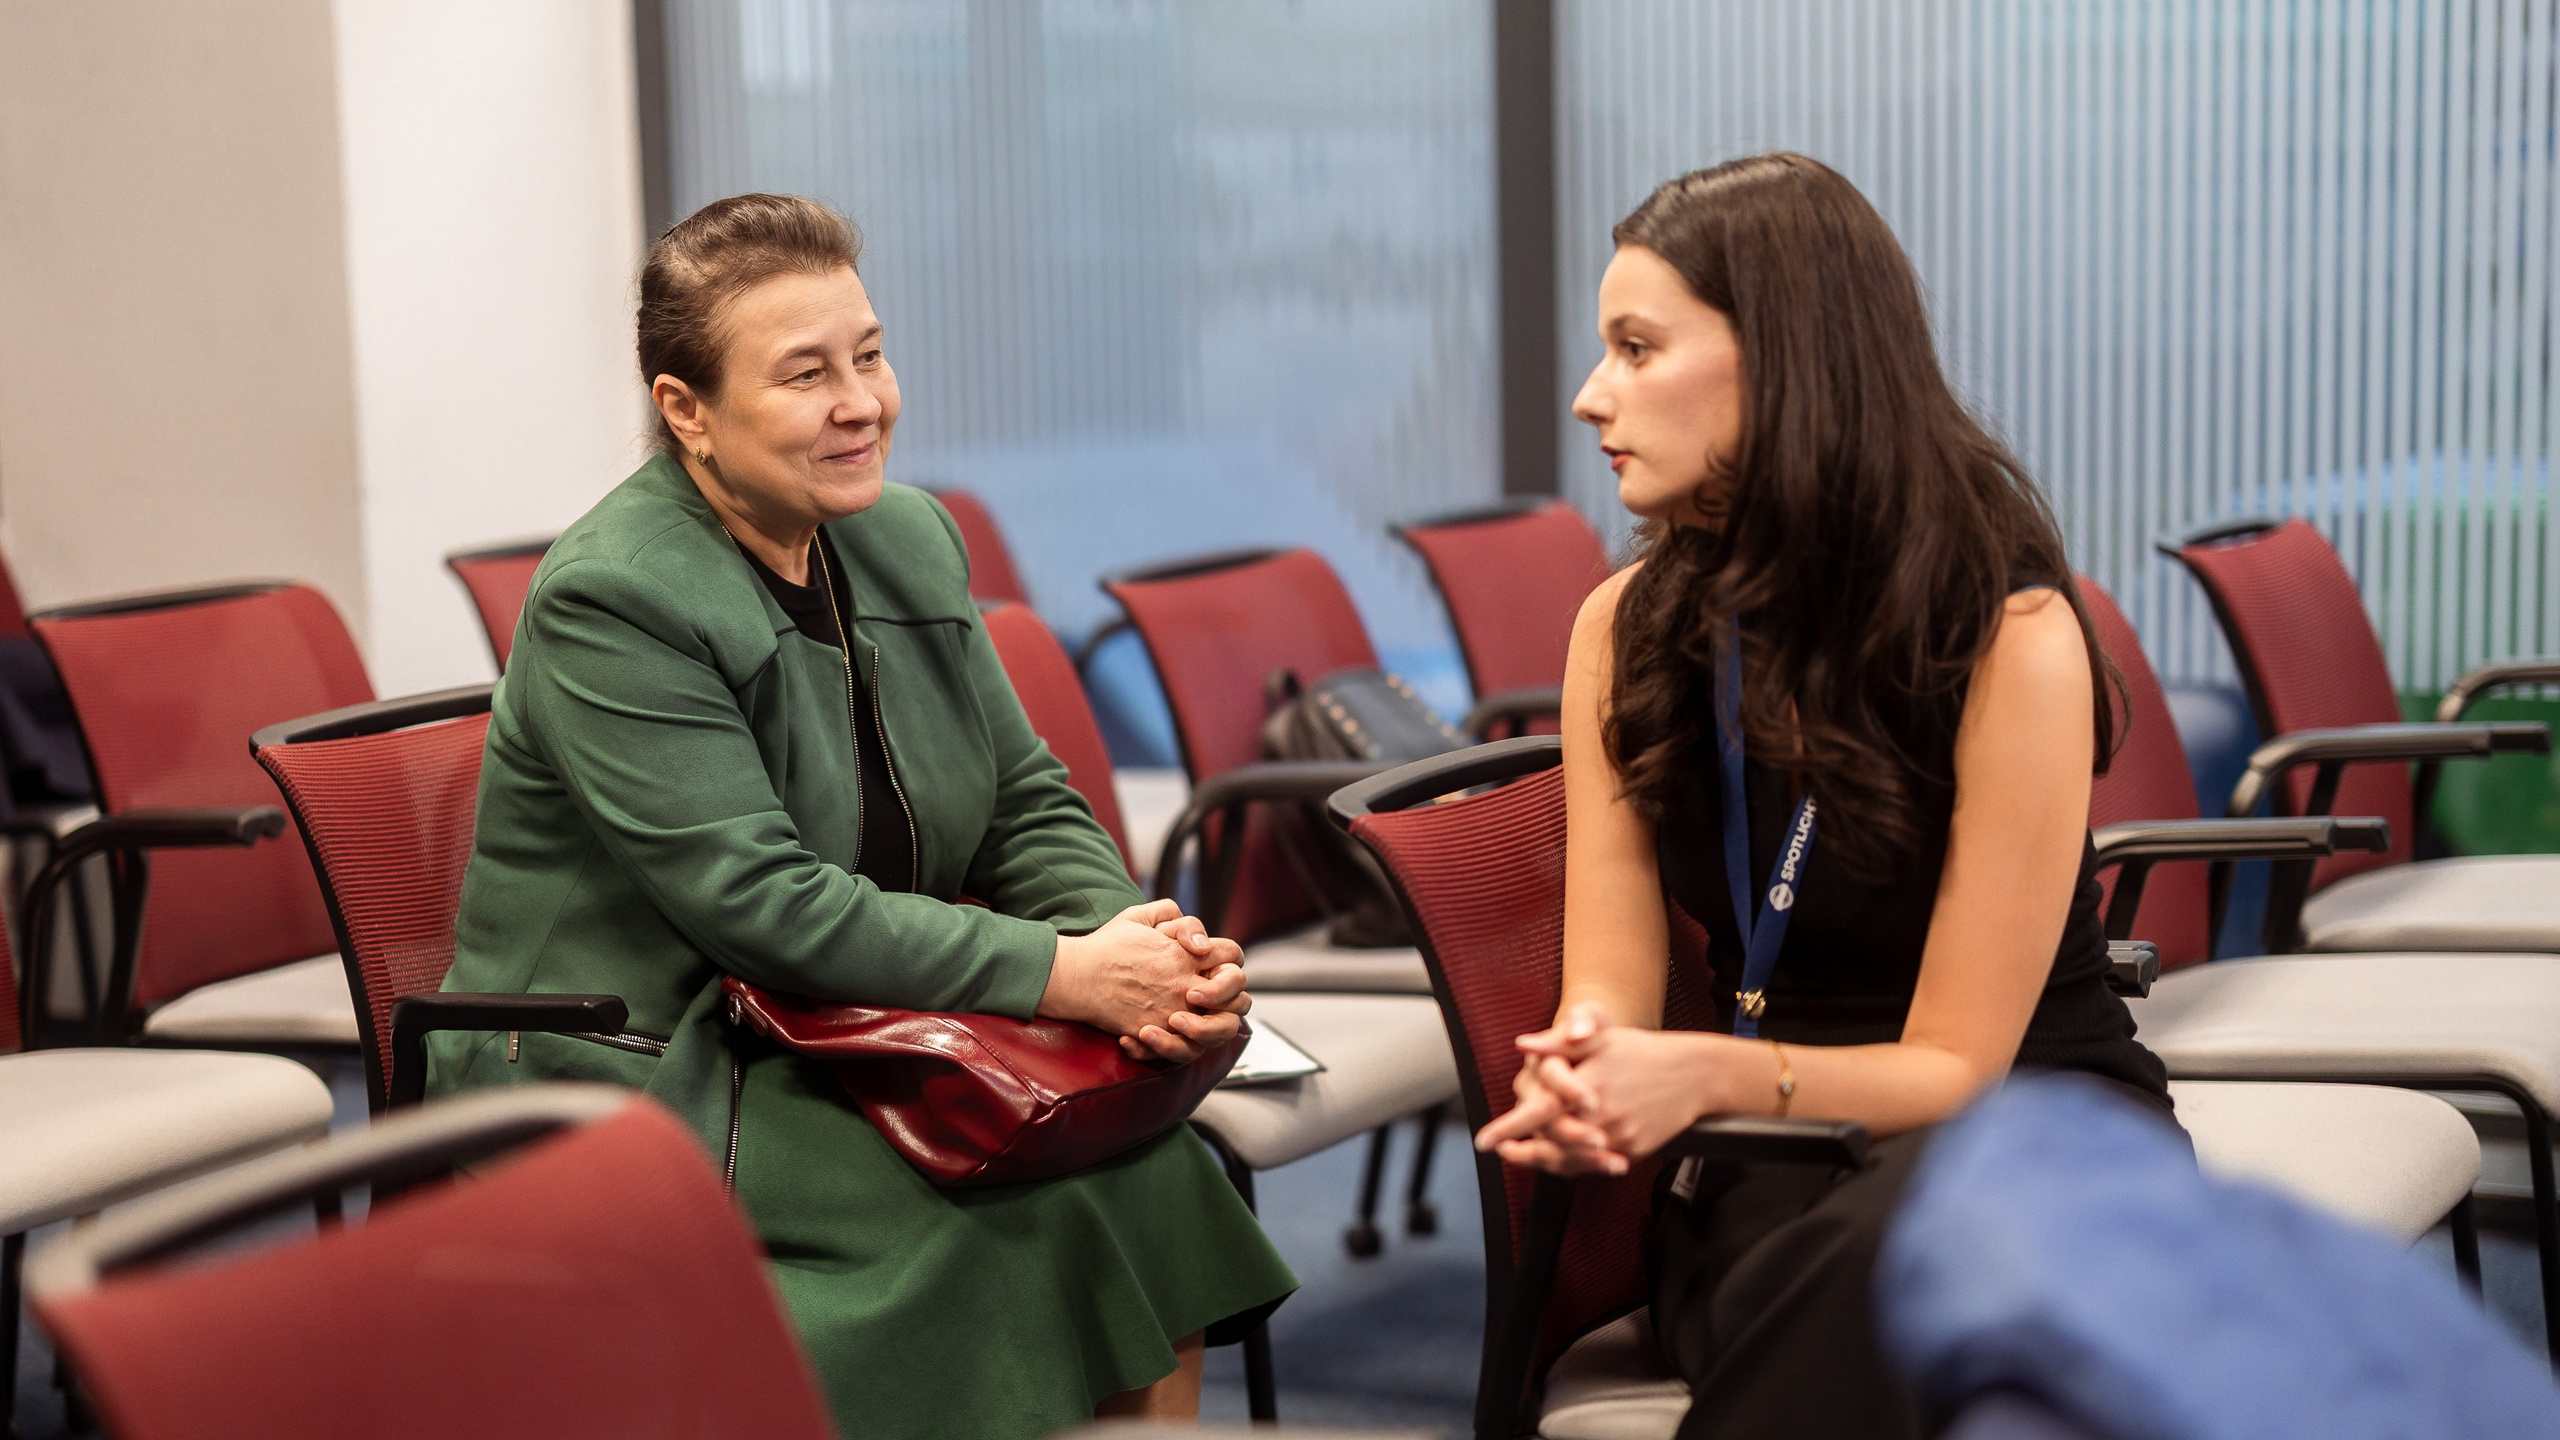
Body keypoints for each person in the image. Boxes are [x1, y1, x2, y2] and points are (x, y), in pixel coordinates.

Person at [430, 193, 1294, 1439]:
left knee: (1152, 1169)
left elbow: (1021, 803)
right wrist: (1065, 976)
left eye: (870, 355)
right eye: (805, 374)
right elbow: (762, 908)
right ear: (687, 412)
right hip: (646, 1064)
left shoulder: (905, 538)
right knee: (985, 1226)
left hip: (848, 1024)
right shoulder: (613, 598)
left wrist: (1134, 951)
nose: (863, 402)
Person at [1473, 153, 2176, 1438]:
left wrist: (1693, 1080)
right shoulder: (1621, 631)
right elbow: (1611, 980)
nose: (1590, 397)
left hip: (2033, 1128)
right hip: (1776, 1156)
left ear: (1787, 361)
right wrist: (1589, 1057)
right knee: (1873, 1290)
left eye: (1637, 349)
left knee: (1905, 1269)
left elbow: (1959, 1070)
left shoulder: (2004, 630)